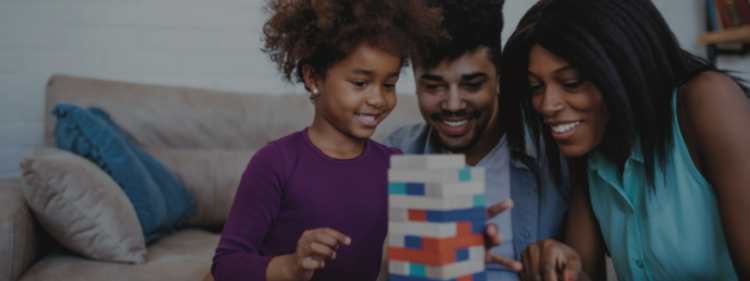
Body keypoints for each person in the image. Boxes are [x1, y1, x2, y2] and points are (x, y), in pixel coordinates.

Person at [500, 0, 750, 280]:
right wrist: (559, 267)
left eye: (571, 83)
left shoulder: (708, 102)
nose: (546, 105)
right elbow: (584, 275)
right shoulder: (587, 148)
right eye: (536, 87)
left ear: (623, 65)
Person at [210, 1, 447, 280]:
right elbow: (225, 264)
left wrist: (471, 242)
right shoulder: (276, 162)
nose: (378, 99)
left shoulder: (395, 167)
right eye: (360, 83)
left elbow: (431, 252)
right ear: (314, 78)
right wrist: (291, 267)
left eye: (389, 84)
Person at [382, 0, 570, 279]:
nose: (453, 104)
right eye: (434, 86)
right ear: (416, 83)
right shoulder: (396, 155)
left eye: (472, 84)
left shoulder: (557, 153)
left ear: (499, 80)